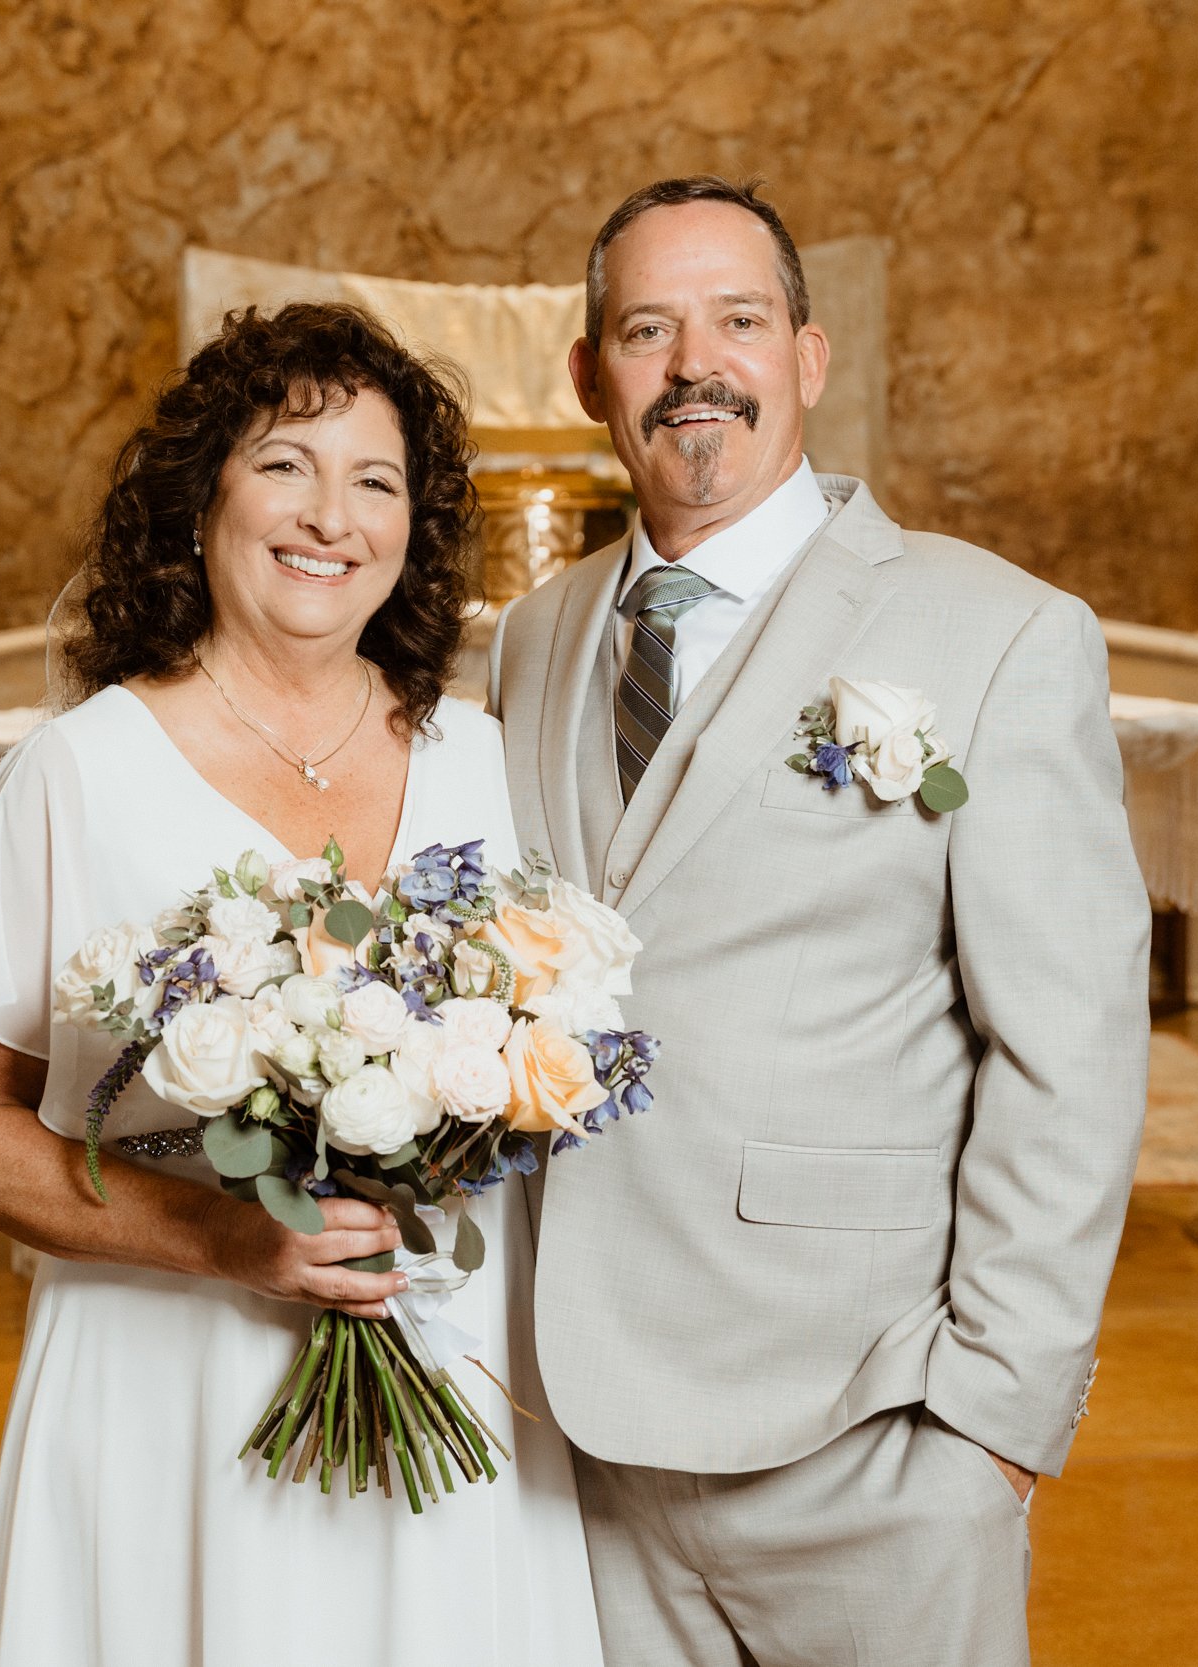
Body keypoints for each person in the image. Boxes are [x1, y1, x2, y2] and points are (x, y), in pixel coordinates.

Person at [488, 176, 1151, 1666]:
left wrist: (993, 1416)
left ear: (810, 356)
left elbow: (1073, 1049)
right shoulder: (534, 637)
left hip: (874, 1425)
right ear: (591, 375)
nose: (693, 364)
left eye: (738, 318)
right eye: (647, 328)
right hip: (582, 1431)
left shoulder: (1001, 633)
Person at [0, 303, 603, 1667]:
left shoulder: (485, 763)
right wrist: (224, 1239)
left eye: (376, 480)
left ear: (414, 531)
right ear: (203, 495)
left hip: (446, 1354)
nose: (331, 513)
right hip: (164, 1377)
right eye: (286, 462)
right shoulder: (80, 771)